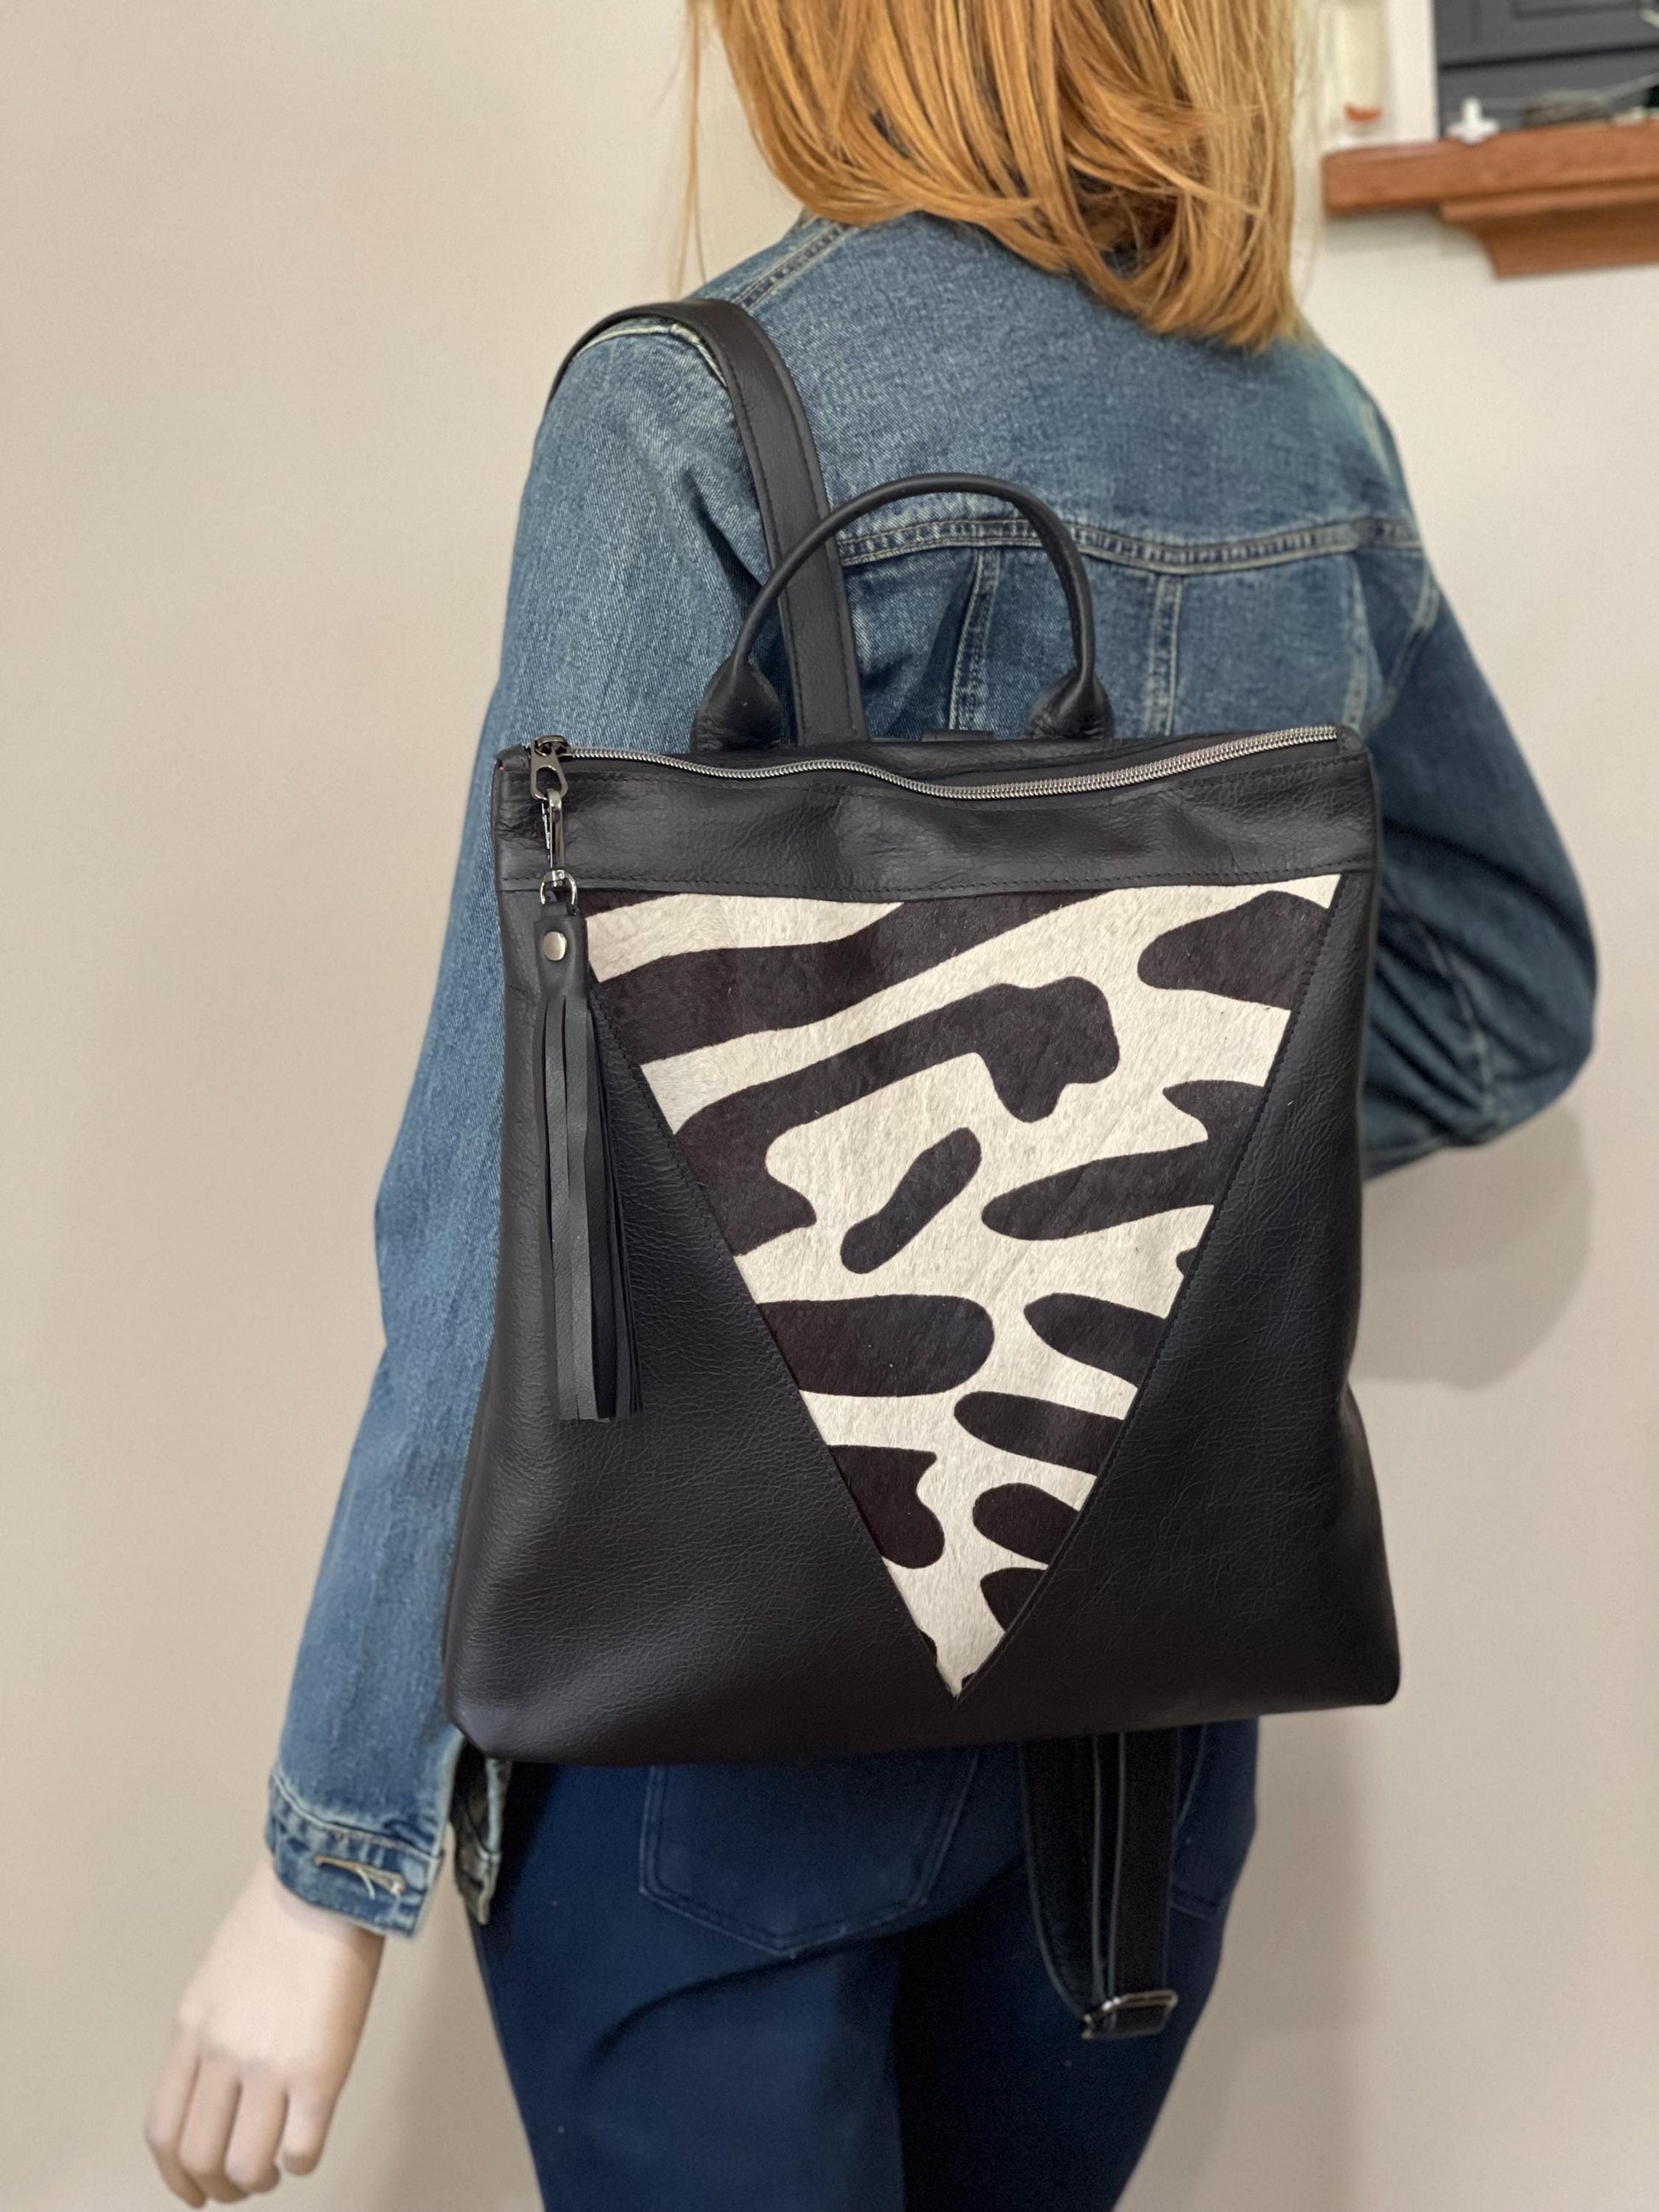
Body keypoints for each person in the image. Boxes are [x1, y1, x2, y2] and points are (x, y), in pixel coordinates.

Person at [145, 2, 1596, 2205]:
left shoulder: (690, 410)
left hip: (718, 1710)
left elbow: (507, 1179)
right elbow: (1499, 983)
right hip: (1140, 1718)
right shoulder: (1303, 426)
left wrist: (326, 1851)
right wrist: (1165, 1166)